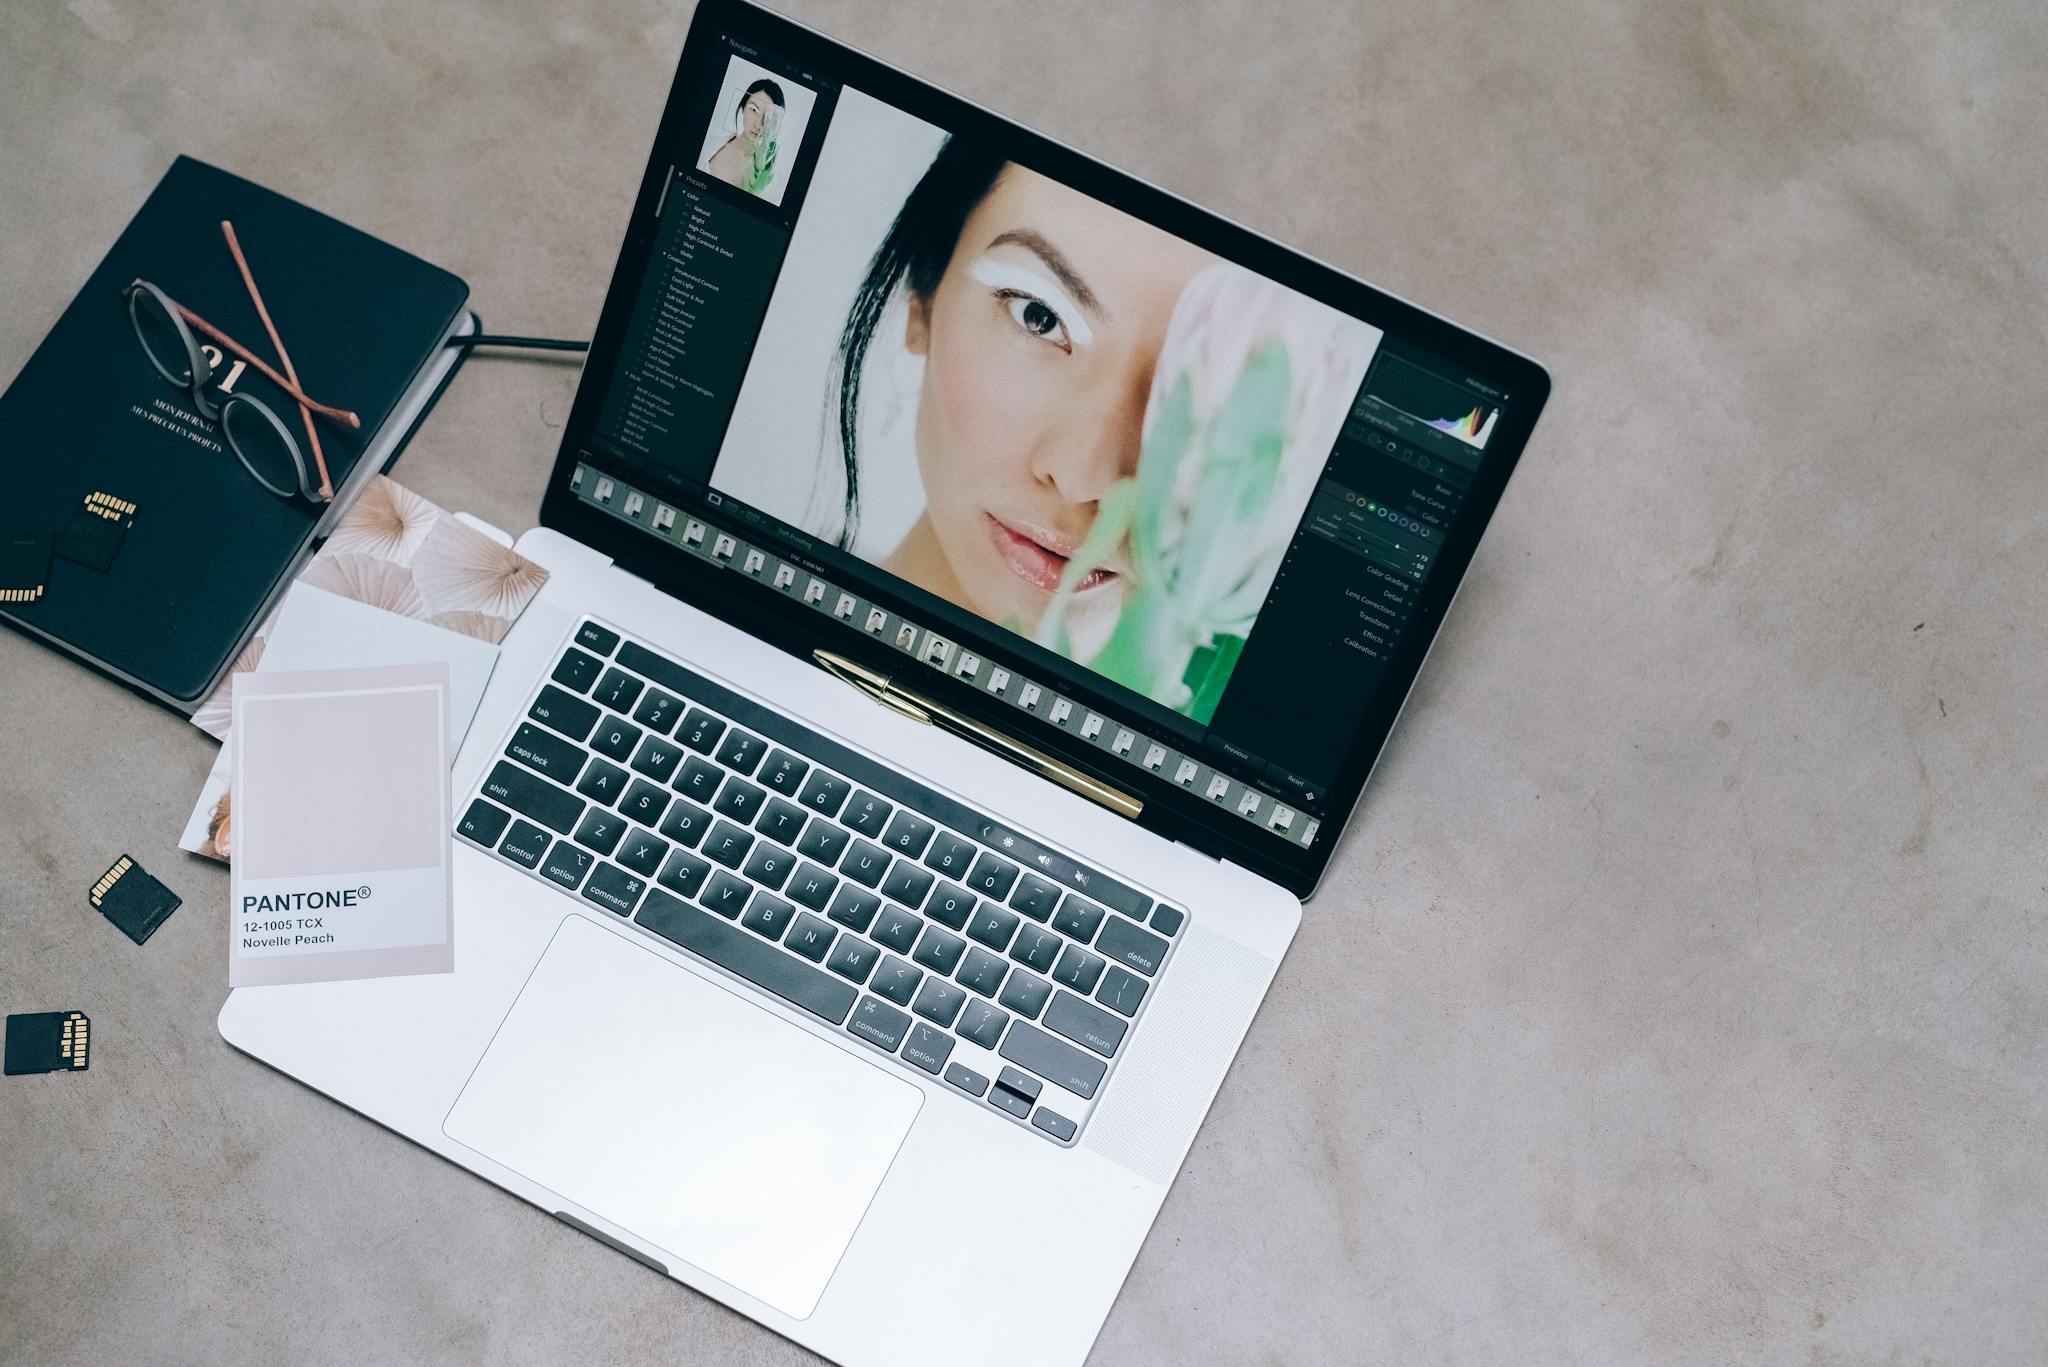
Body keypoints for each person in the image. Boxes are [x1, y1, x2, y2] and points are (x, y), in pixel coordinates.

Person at [706, 79, 786, 195]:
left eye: (769, 117)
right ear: (743, 108)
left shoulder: (774, 184)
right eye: (754, 110)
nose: (759, 124)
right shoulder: (710, 142)